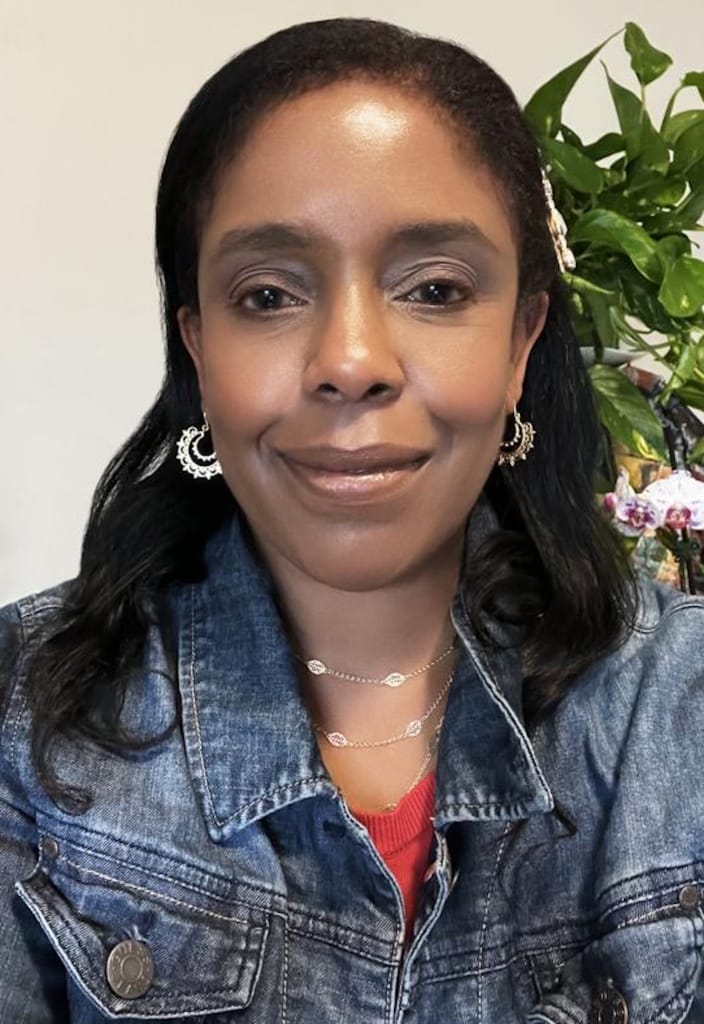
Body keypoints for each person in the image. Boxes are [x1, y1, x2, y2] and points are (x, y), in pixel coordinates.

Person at [1, 17, 703, 1023]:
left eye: (432, 288)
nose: (350, 359)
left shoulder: (674, 714)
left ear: (521, 338)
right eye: (267, 294)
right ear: (197, 345)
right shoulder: (20, 724)